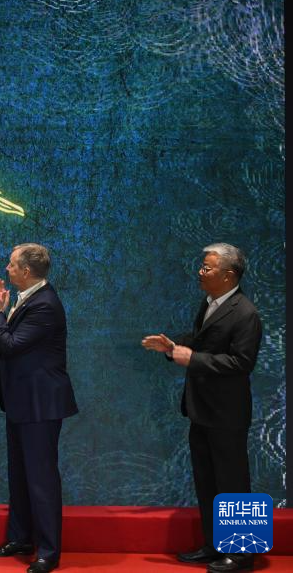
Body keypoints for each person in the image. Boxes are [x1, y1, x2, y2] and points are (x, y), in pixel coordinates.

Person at [142, 243, 261, 573]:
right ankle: (215, 545)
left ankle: (242, 554)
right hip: (201, 409)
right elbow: (203, 340)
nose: (200, 272)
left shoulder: (245, 313)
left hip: (227, 413)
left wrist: (192, 358)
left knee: (233, 483)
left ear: (228, 275)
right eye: (202, 266)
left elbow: (241, 363)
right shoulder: (210, 303)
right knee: (207, 481)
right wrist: (173, 347)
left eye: (207, 268)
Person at [0, 243, 78, 573]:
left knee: (41, 479)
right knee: (20, 475)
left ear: (26, 271)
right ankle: (20, 538)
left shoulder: (45, 304)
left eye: (11, 264)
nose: (6, 269)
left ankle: (48, 552)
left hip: (40, 404)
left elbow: (10, 345)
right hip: (22, 401)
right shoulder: (28, 298)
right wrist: (1, 312)